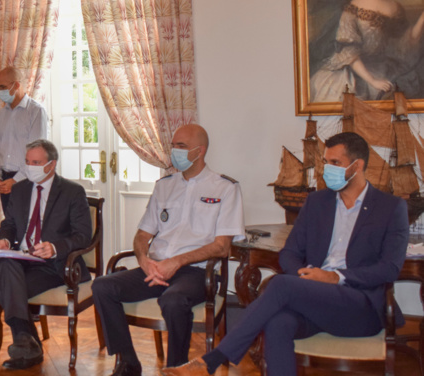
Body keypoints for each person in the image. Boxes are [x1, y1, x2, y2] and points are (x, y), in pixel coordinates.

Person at [163, 132, 409, 376]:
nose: (327, 170)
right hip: (313, 298)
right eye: (325, 162)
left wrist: (335, 278)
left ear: (359, 165)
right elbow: (289, 253)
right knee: (278, 323)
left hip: (359, 307)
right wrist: (306, 278)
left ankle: (210, 362)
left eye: (335, 163)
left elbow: (389, 269)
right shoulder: (317, 202)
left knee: (280, 285)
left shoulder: (390, 208)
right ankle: (211, 363)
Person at [92, 124, 245, 375]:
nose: (175, 151)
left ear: (200, 151)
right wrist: (143, 260)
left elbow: (222, 246)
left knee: (172, 300)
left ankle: (176, 367)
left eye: (182, 146)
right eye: (173, 145)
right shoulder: (164, 186)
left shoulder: (225, 188)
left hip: (195, 273)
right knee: (103, 286)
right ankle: (128, 361)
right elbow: (142, 235)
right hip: (155, 267)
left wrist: (177, 262)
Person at [0, 139, 92, 370]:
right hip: (23, 260)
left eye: (36, 162)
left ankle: (27, 345)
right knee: (6, 263)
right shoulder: (20, 189)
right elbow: (10, 223)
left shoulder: (72, 192)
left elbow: (83, 236)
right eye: (27, 162)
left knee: (5, 287)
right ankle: (27, 344)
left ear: (51, 165)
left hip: (55, 265)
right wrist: (4, 239)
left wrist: (55, 247)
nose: (30, 167)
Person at [310, 0, 424, 102]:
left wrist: (421, 20)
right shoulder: (352, 9)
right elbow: (349, 51)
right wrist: (373, 80)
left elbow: (403, 45)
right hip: (355, 70)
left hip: (384, 67)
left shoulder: (394, 7)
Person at [0, 66, 49, 213]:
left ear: (16, 85)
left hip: (27, 181)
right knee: (10, 229)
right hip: (5, 181)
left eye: (3, 87)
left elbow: (37, 155)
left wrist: (16, 181)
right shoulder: (3, 113)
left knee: (28, 231)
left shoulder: (36, 111)